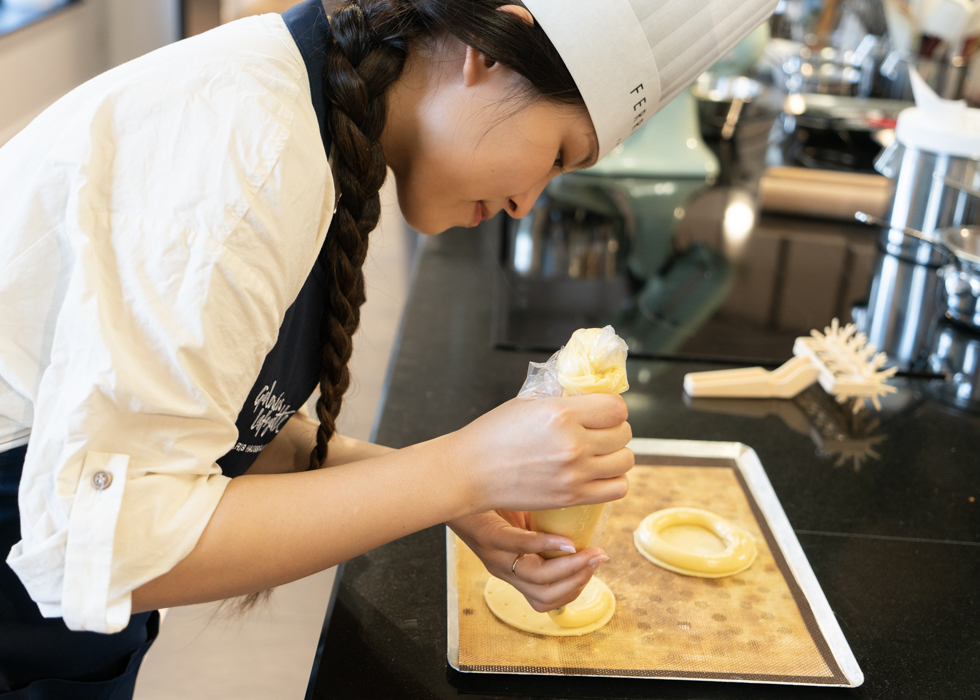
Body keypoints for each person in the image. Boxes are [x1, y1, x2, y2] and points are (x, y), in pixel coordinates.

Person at [0, 0, 776, 696]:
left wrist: (465, 498)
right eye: (559, 154)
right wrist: (459, 469)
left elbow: (209, 427)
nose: (525, 202)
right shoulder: (249, 150)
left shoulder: (314, 125)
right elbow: (105, 548)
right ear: (492, 50)